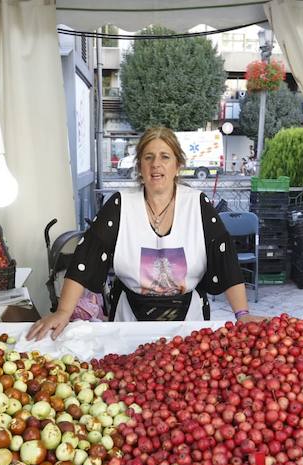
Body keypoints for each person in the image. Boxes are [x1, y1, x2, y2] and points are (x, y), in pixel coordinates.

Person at [28, 126, 261, 340]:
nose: (156, 164)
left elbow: (226, 259)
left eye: (165, 157)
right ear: (139, 166)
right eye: (148, 157)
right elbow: (86, 258)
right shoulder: (120, 205)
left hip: (189, 323)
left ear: (177, 165)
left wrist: (242, 314)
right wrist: (63, 312)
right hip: (129, 322)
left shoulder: (197, 205)